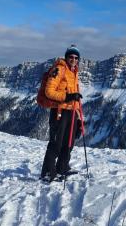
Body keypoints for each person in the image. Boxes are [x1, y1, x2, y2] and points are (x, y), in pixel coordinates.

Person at [40, 45, 83, 182]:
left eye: (76, 58)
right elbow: (49, 92)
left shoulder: (74, 72)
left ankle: (62, 168)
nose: (73, 60)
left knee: (69, 143)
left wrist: (78, 119)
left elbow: (75, 97)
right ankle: (47, 172)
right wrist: (68, 97)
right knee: (56, 144)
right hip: (59, 112)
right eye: (71, 57)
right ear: (66, 57)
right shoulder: (59, 69)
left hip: (71, 112)